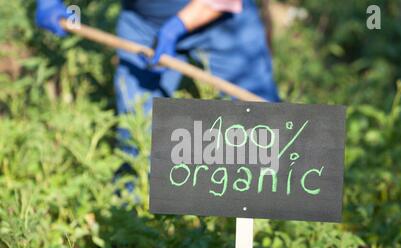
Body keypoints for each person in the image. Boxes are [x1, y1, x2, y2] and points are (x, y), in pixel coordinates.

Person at [36, 0, 279, 163]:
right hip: (141, 22)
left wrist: (176, 27)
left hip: (221, 20)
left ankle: (276, 211)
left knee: (260, 122)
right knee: (137, 128)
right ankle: (133, 216)